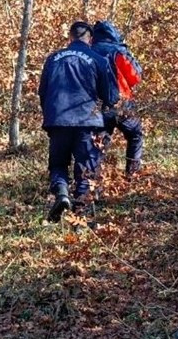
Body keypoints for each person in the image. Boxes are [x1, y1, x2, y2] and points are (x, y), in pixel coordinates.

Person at [38, 20, 119, 221]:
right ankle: (80, 215)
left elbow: (43, 91)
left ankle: (62, 194)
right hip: (87, 121)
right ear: (90, 38)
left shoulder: (53, 59)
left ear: (70, 37)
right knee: (86, 169)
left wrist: (50, 115)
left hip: (57, 121)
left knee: (58, 165)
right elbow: (111, 96)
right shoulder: (99, 60)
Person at [90, 19, 144, 178]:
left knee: (99, 143)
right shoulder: (118, 52)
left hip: (95, 105)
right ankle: (131, 175)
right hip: (121, 103)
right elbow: (135, 78)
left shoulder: (88, 51)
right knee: (135, 134)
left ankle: (94, 184)